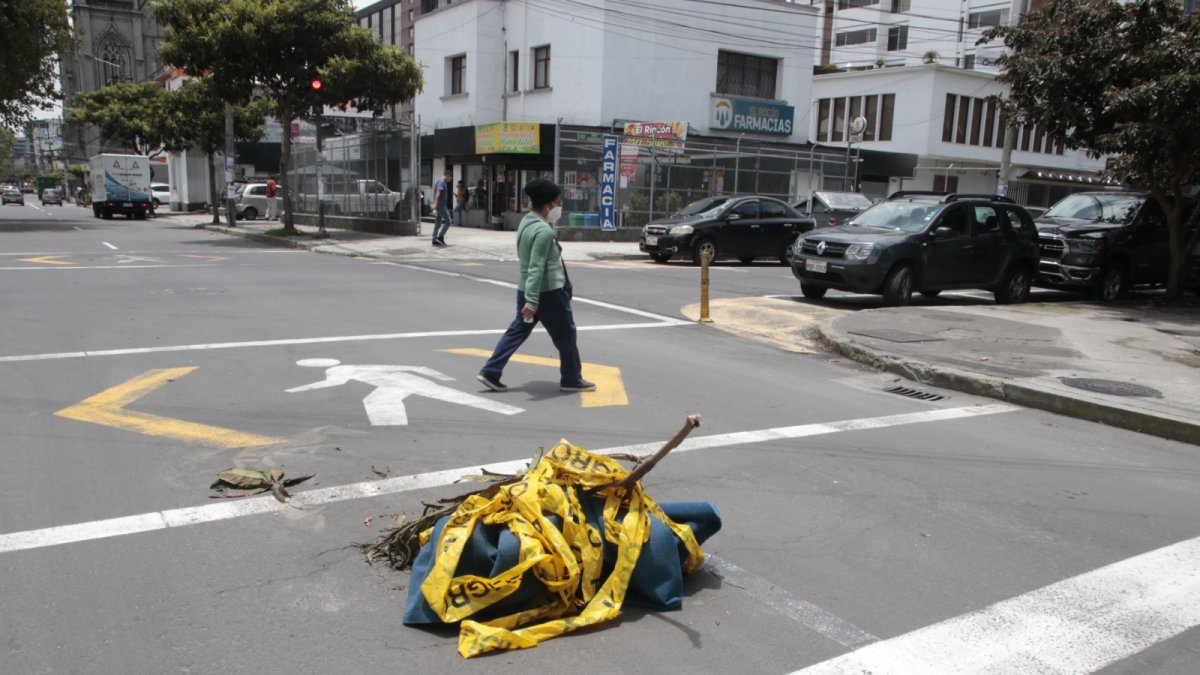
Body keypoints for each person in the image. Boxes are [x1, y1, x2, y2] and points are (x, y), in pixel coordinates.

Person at [477, 178, 595, 394]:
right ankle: (571, 378)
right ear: (548, 204)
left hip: (526, 290)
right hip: (548, 293)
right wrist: (533, 301)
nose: (559, 207)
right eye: (558, 202)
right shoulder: (543, 231)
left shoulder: (526, 222)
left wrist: (529, 298)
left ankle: (490, 371)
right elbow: (536, 267)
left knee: (518, 330)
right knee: (566, 335)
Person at [432, 169, 452, 246]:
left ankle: (434, 240)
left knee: (437, 223)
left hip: (439, 206)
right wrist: (435, 204)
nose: (450, 180)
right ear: (447, 175)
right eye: (450, 178)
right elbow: (438, 192)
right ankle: (440, 237)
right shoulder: (441, 182)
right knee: (448, 221)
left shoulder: (438, 181)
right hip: (441, 206)